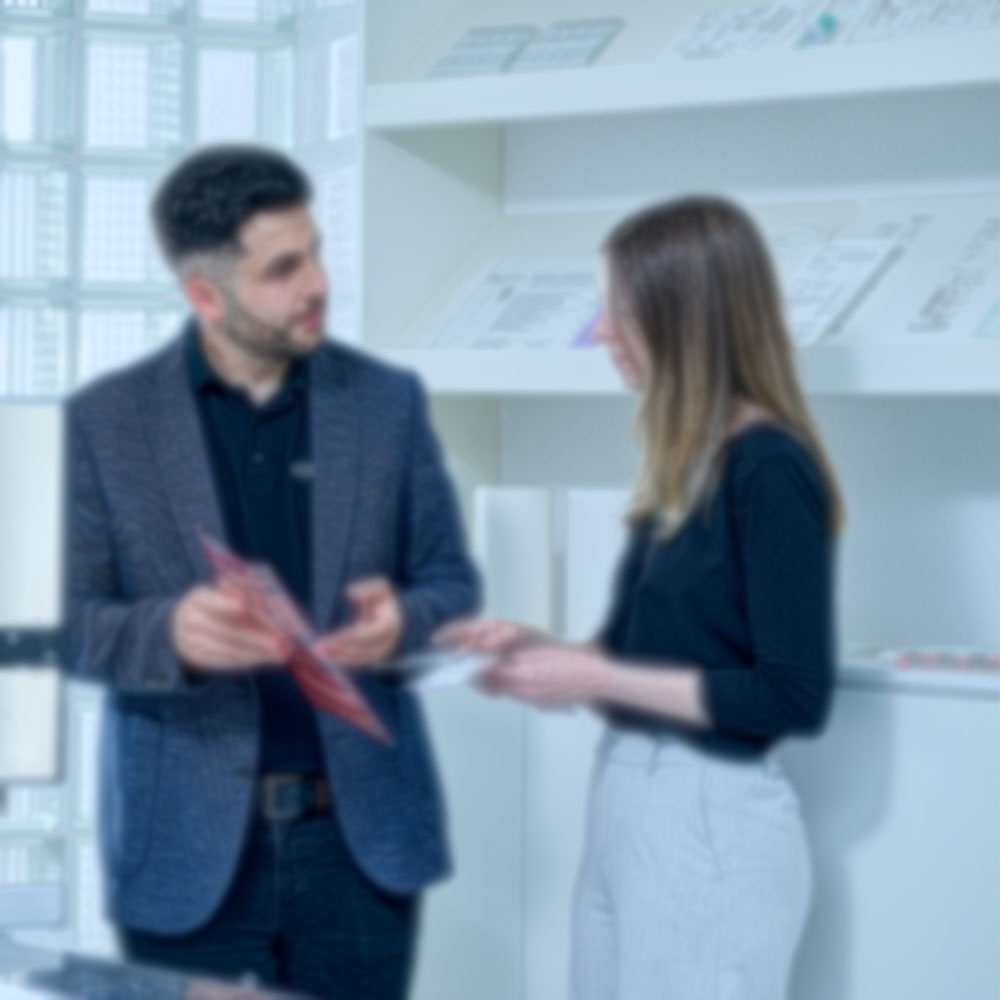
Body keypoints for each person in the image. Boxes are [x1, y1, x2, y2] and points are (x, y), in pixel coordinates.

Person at [63, 144, 479, 999]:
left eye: (316, 251)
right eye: (283, 268)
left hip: (358, 848)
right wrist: (168, 632)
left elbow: (451, 581)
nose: (317, 282)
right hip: (184, 852)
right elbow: (70, 624)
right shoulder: (108, 421)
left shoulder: (386, 403)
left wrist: (406, 618)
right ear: (205, 295)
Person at [439, 195, 842, 1000]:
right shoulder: (679, 468)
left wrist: (595, 680)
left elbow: (790, 694)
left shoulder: (769, 469)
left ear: (686, 317)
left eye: (621, 312)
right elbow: (624, 659)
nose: (601, 334)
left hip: (707, 819)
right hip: (627, 798)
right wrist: (531, 648)